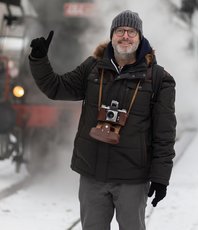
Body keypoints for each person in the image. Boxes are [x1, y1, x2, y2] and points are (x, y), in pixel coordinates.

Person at [29, 10, 176, 230]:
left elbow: (164, 134)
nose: (125, 36)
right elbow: (55, 87)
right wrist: (39, 60)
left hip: (132, 179)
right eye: (120, 31)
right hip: (92, 176)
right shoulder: (92, 68)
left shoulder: (158, 79)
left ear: (140, 37)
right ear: (112, 35)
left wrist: (161, 177)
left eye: (131, 31)